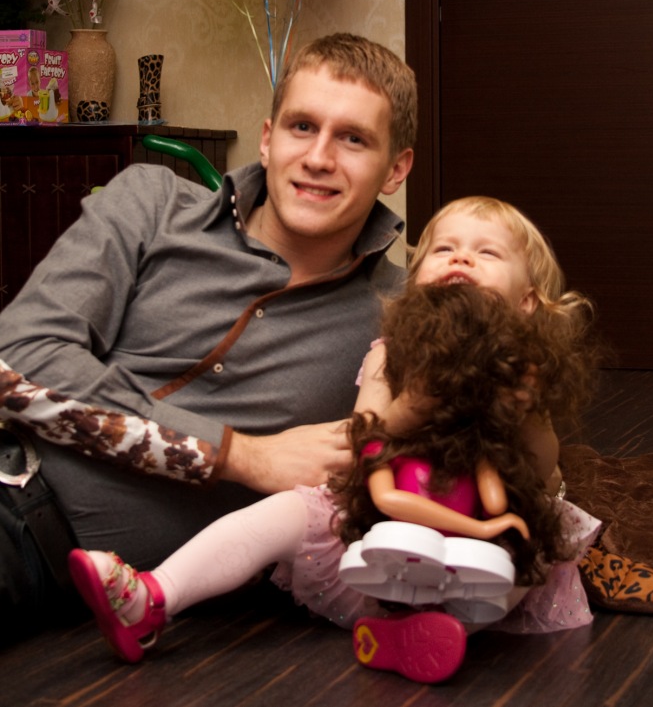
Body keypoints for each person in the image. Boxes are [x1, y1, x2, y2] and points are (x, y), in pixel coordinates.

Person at [65, 196, 602, 682]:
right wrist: (416, 405)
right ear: (416, 284)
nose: (461, 257)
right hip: (380, 536)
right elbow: (366, 433)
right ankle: (152, 595)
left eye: (486, 252)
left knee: (524, 547)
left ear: (527, 301)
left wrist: (526, 418)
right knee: (279, 514)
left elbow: (542, 468)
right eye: (443, 248)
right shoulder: (393, 353)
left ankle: (435, 631)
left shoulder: (526, 371)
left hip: (472, 541)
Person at [0, 32, 416, 639]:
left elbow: (519, 437)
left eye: (353, 139)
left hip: (90, 590)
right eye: (302, 127)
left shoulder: (407, 314)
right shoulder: (151, 204)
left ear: (396, 169)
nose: (319, 157)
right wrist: (245, 456)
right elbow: (16, 361)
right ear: (268, 139)